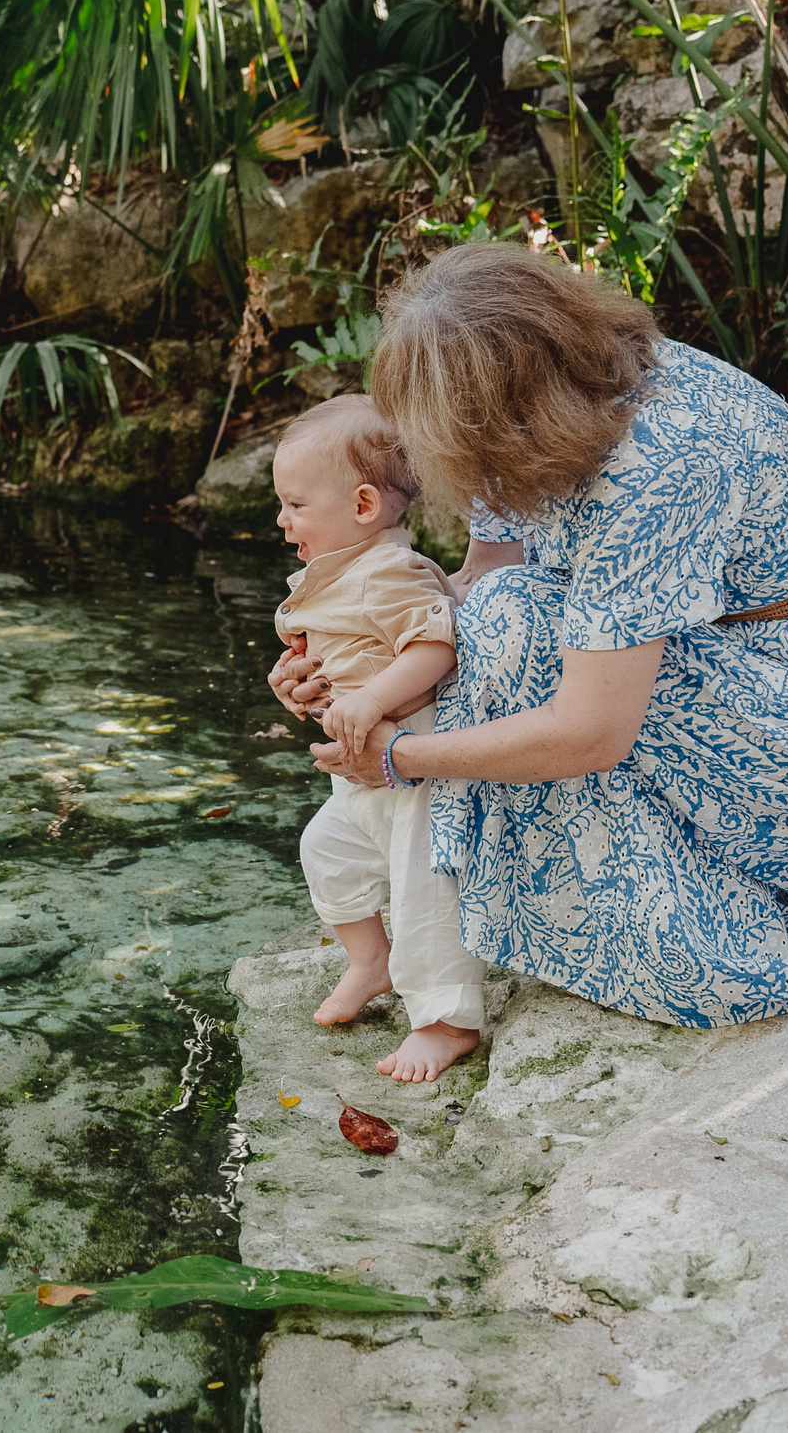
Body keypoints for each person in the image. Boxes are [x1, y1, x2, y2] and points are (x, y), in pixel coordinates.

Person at [270, 243, 788, 1056]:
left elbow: (593, 726)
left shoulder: (658, 459)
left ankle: (621, 928)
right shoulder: (547, 402)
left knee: (516, 626)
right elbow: (483, 579)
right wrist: (351, 663)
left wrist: (399, 755)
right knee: (503, 617)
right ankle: (502, 916)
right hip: (724, 671)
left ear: (494, 401)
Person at [269, 395, 490, 1081]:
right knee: (324, 850)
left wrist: (370, 697)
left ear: (364, 506)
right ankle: (370, 962)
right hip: (360, 771)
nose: (282, 519)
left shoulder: (390, 574)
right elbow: (318, 650)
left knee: (424, 887)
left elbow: (435, 645)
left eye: (295, 504)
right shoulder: (335, 573)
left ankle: (447, 1019)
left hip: (415, 764)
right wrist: (295, 678)